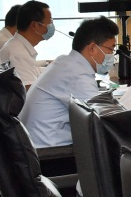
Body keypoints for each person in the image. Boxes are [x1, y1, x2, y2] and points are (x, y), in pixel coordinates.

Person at [18, 16, 119, 148]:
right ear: (92, 48)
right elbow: (103, 118)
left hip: (34, 145)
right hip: (48, 153)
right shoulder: (77, 74)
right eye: (111, 49)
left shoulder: (65, 62)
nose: (112, 55)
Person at [0, 0, 53, 89]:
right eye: (50, 22)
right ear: (35, 25)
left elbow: (33, 71)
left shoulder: (17, 45)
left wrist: (56, 69)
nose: (52, 26)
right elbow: (28, 91)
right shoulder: (18, 53)